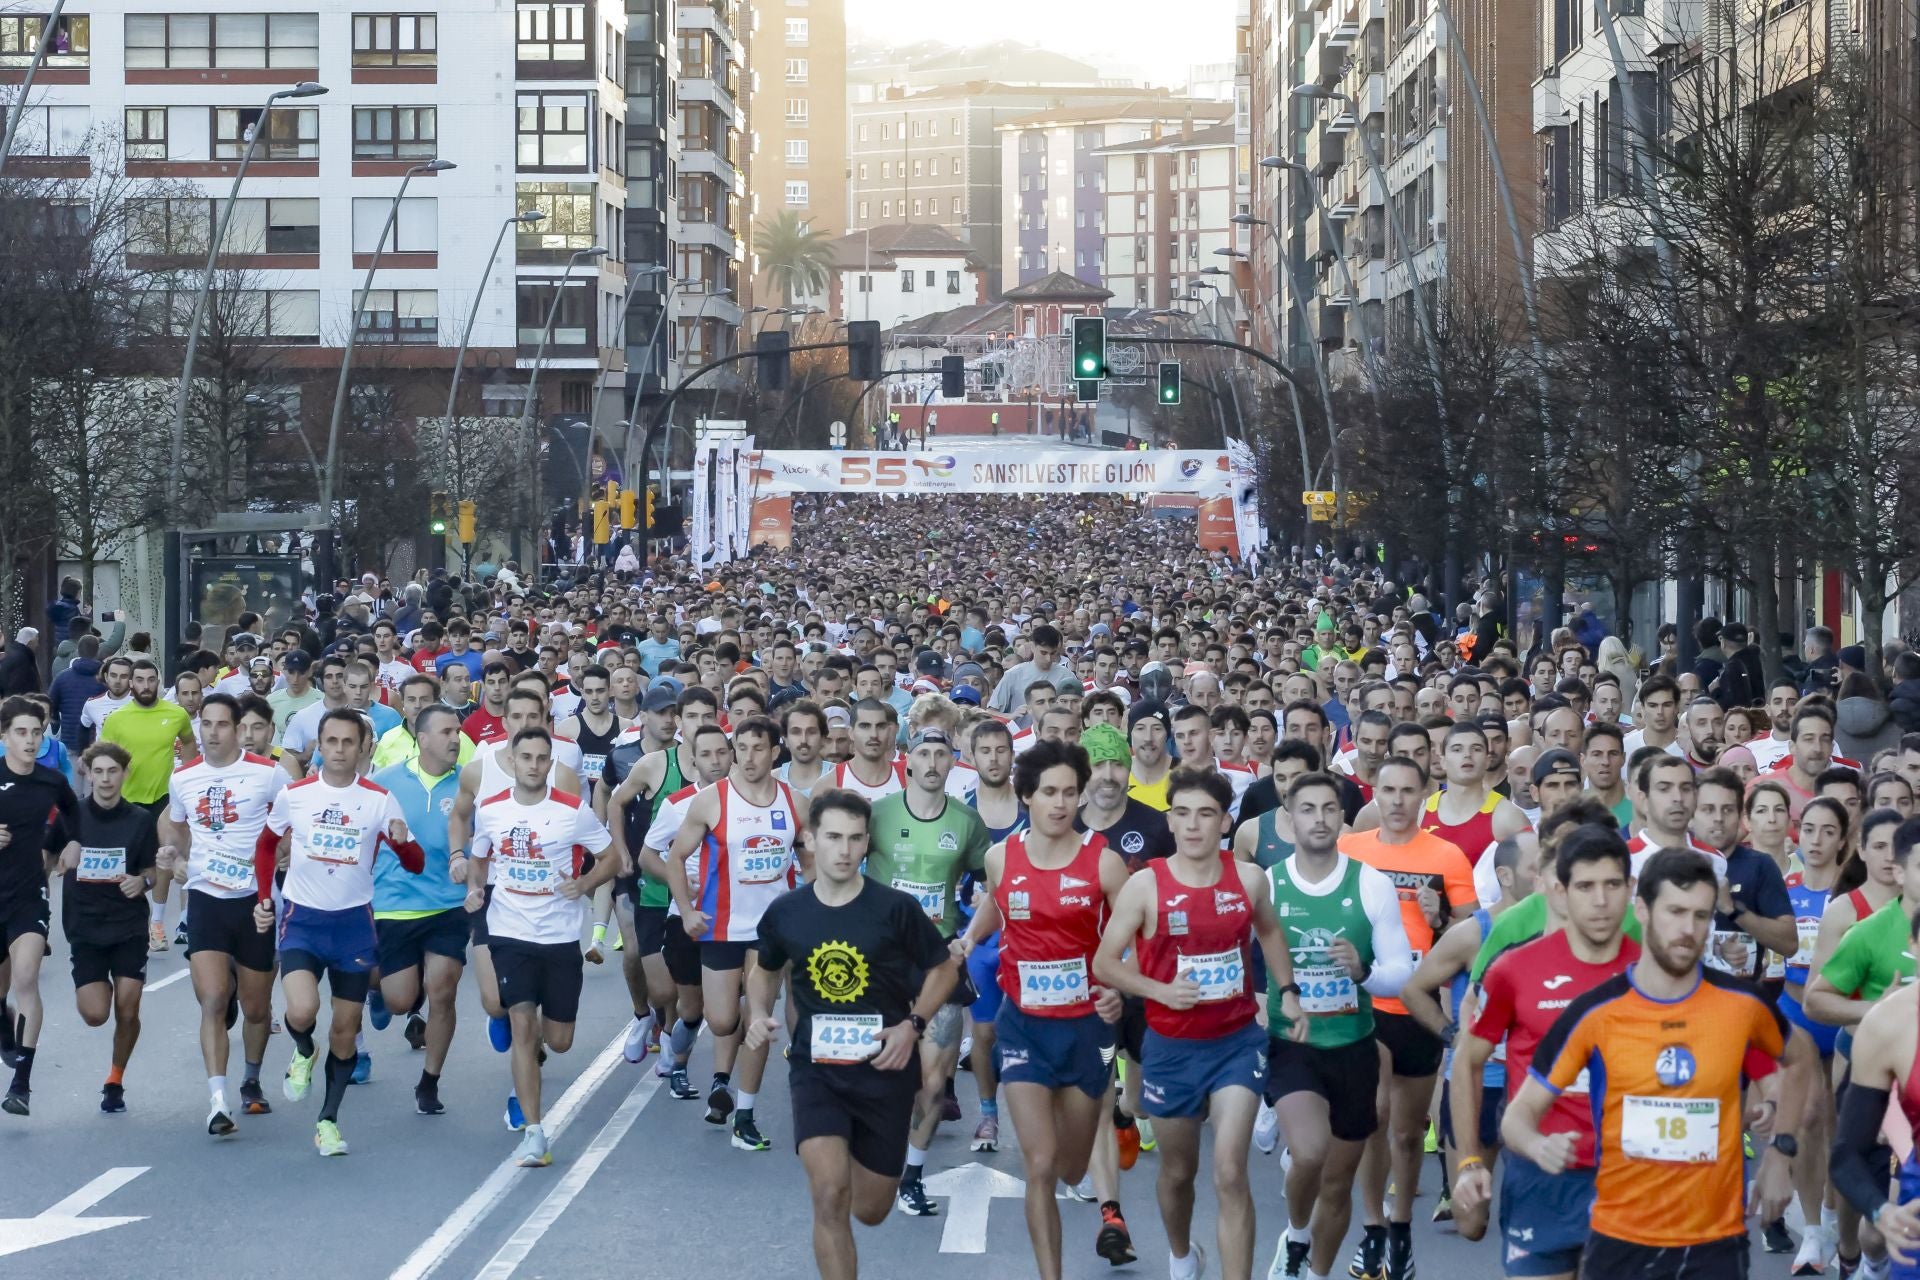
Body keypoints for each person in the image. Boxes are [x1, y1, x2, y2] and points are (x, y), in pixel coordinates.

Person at [1502, 848, 1816, 1278]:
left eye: (1701, 916)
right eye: (1675, 912)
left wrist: (1781, 1153)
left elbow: (1800, 1061)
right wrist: (1539, 1146)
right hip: (1620, 1239)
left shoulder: (1743, 1006)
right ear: (1643, 910)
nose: (1688, 930)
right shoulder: (1595, 1012)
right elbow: (1518, 1116)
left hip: (1715, 1240)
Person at [1093, 766, 1302, 1280]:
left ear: (1224, 822)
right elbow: (1105, 963)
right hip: (1169, 1046)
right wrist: (1160, 990)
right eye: (1181, 813)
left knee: (1230, 1170)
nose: (1192, 825)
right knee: (1178, 1171)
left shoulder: (1248, 878)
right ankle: (1183, 1256)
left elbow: (1271, 933)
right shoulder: (1146, 884)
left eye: (1205, 814)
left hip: (1235, 1043)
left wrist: (1288, 993)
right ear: (1170, 819)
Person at [743, 788, 959, 1280]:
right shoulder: (787, 912)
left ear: (868, 845)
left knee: (870, 1208)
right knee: (828, 1195)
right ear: (810, 840)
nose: (844, 850)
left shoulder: (895, 909)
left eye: (855, 839)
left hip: (884, 1072)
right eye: (833, 837)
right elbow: (765, 970)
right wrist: (758, 1012)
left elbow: (943, 969)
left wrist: (913, 1026)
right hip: (816, 1072)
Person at [957, 739, 1131, 1280]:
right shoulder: (999, 856)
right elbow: (998, 900)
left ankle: (1101, 1147)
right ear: (1026, 795)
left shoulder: (1103, 864)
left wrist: (1120, 986)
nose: (1060, 803)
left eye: (1070, 793)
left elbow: (1135, 938)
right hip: (1023, 1027)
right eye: (1049, 792)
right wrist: (968, 940)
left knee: (1073, 1167)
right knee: (1039, 1166)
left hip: (1085, 1029)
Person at [1451, 823, 1637, 1280]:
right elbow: (1467, 1060)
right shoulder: (1514, 969)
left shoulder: (1650, 972)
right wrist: (1469, 1161)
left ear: (1631, 889)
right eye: (1585, 886)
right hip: (1539, 1177)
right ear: (1559, 890)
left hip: (1630, 1181)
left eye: (1612, 885)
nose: (1599, 901)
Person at [1258, 770, 1414, 1280]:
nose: (1320, 819)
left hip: (1355, 1047)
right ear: (1290, 815)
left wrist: (1363, 972)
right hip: (1294, 1043)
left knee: (1338, 1182)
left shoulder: (1370, 883)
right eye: (1308, 809)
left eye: (1329, 809)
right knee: (1308, 1154)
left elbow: (1400, 976)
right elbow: (1243, 964)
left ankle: (1317, 1272)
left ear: (1342, 817)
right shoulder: (1269, 885)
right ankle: (1296, 1234)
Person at [257, 708, 422, 1156]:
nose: (339, 750)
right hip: (304, 920)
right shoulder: (296, 795)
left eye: (349, 742)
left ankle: (327, 1120)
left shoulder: (379, 799)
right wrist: (264, 898)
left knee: (346, 1031)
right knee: (303, 1008)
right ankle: (303, 1050)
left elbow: (415, 863)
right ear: (320, 745)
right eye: (331, 741)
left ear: (363, 748)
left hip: (352, 924)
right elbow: (268, 844)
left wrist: (403, 841)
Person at [1340, 755, 1477, 1280]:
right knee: (1373, 1121)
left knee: (1404, 1131)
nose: (1397, 801)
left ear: (1425, 795)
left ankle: (1400, 1229)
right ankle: (1372, 1229)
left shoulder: (1447, 856)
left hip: (1418, 1007)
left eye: (1407, 791)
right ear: (1373, 792)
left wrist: (1437, 916)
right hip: (1366, 1005)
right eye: (1387, 790)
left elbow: (1468, 936)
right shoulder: (1350, 850)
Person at [464, 726, 617, 1167]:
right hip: (510, 932)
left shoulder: (572, 811)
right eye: (525, 757)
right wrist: (476, 888)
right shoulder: (491, 810)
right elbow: (480, 856)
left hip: (560, 936)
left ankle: (535, 1054)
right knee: (522, 1024)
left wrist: (584, 883)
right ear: (511, 761)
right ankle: (534, 1133)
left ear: (551, 764)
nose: (533, 765)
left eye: (541, 758)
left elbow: (611, 858)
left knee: (560, 1039)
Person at [661, 715, 809, 1153]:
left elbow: (812, 860)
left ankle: (745, 1114)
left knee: (757, 1019)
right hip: (721, 926)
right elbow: (675, 858)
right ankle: (727, 1072)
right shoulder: (711, 801)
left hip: (772, 932)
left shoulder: (795, 802)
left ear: (774, 752)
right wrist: (687, 911)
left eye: (757, 748)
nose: (748, 757)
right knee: (724, 1019)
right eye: (740, 748)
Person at [863, 727, 990, 1213]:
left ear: (952, 761)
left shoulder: (967, 821)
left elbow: (991, 884)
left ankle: (912, 1175)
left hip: (938, 958)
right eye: (924, 753)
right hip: (882, 959)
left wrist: (971, 936)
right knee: (881, 1072)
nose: (933, 762)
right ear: (908, 761)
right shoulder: (878, 815)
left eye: (942, 753)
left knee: (933, 1083)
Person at [161, 693, 286, 1133]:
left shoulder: (269, 774)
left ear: (238, 729)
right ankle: (218, 1100)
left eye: (221, 725)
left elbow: (290, 827)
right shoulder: (184, 778)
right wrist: (174, 855)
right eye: (206, 724)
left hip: (255, 901)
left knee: (255, 1008)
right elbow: (173, 823)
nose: (212, 732)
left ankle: (250, 1079)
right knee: (212, 998)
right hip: (206, 899)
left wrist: (283, 856)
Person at [371, 704, 471, 1116]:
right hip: (394, 904)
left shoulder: (469, 784)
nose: (455, 738)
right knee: (399, 1000)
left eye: (459, 731)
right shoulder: (386, 784)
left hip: (448, 903)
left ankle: (429, 1082)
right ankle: (379, 990)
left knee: (442, 990)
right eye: (447, 731)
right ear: (422, 737)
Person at [0, 697, 82, 1116]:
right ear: (4, 735)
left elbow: (74, 813)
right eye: (21, 732)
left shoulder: (51, 781)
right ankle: (2, 1017)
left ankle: (21, 1085)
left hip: (28, 896)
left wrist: (72, 840)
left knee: (27, 978)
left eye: (36, 732)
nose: (30, 740)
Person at [97, 659, 195, 952]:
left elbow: (189, 742)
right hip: (125, 802)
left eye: (151, 680)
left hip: (163, 801)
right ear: (131, 684)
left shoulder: (176, 714)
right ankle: (118, 920)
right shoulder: (117, 718)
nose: (145, 686)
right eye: (139, 680)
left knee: (162, 861)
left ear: (158, 682)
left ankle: (157, 923)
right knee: (121, 864)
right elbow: (103, 756)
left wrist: (189, 777)